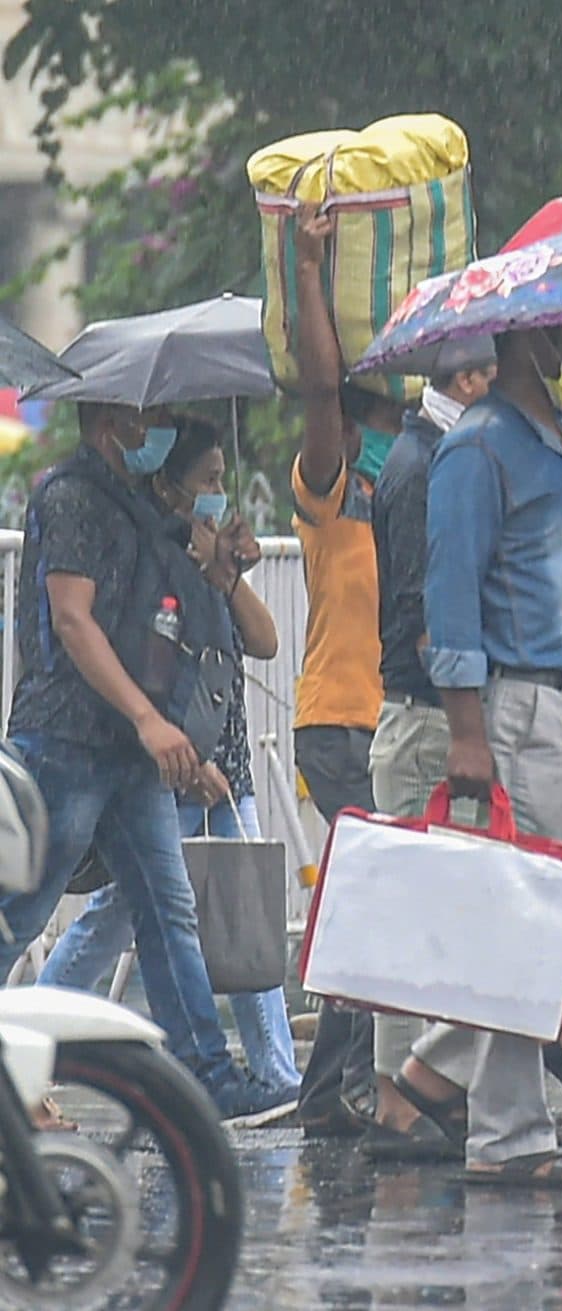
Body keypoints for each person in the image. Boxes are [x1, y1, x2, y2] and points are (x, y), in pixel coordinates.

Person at [0, 408, 285, 1118]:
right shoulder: (70, 496)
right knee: (22, 910)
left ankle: (204, 1076)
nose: (152, 426)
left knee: (168, 909)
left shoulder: (142, 510)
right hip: (67, 738)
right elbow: (72, 619)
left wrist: (222, 569)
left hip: (130, 756)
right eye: (145, 415)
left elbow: (184, 626)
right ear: (110, 419)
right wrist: (147, 718)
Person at [417, 321, 562, 1187]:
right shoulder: (479, 448)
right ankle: (510, 1138)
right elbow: (451, 590)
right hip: (519, 706)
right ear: (531, 340)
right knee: (531, 923)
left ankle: (439, 1055)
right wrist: (467, 727)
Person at [361, 341, 500, 1161]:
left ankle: (414, 1088)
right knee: (409, 915)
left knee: (429, 910)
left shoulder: (431, 457)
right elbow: (420, 606)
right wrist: (465, 718)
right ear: (470, 379)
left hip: (424, 714)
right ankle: (399, 1098)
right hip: (421, 715)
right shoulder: (423, 469)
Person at [286, 204, 406, 1136]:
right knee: (377, 894)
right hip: (338, 723)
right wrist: (311, 268)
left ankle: (332, 1089)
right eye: (387, 419)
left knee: (379, 897)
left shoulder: (408, 494)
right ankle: (334, 1090)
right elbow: (320, 389)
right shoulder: (333, 491)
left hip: (391, 724)